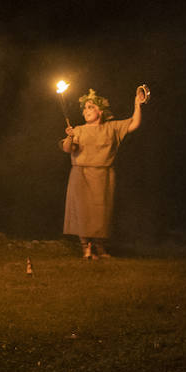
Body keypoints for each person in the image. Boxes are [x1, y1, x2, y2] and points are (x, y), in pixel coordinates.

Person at [61, 85, 148, 259]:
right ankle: (86, 248)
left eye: (91, 107)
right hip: (81, 175)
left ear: (100, 111)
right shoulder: (77, 130)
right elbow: (67, 149)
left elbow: (134, 123)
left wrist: (137, 104)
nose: (86, 111)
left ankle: (100, 248)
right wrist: (70, 136)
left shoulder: (112, 128)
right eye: (85, 108)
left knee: (101, 212)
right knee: (83, 211)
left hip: (103, 175)